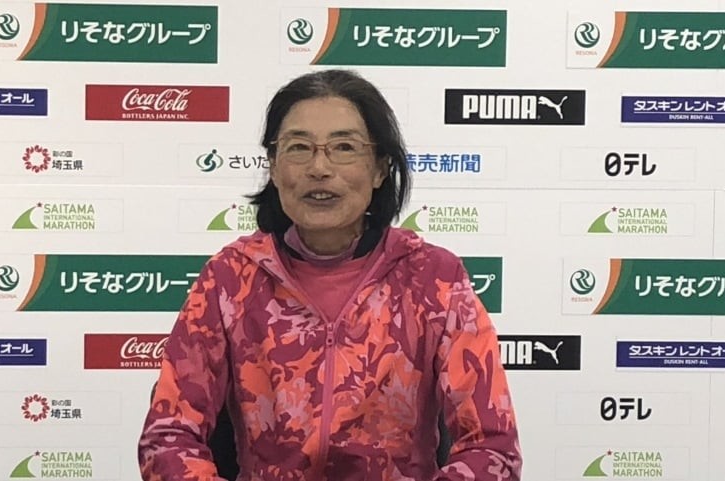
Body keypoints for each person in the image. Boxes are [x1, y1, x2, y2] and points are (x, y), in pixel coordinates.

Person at [139, 69, 522, 481]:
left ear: (380, 169)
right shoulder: (230, 279)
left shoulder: (434, 279)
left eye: (344, 147)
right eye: (299, 148)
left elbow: (492, 447)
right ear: (273, 167)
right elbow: (168, 437)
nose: (319, 168)